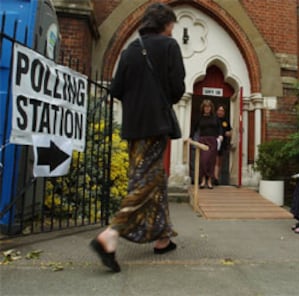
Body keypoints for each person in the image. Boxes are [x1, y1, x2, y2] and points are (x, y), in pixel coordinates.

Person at [90, 2, 185, 272]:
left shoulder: (130, 49)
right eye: (172, 25)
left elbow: (117, 89)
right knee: (148, 180)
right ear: (165, 23)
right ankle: (111, 233)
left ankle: (162, 237)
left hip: (133, 126)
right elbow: (178, 88)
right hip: (156, 124)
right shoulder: (169, 46)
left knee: (152, 178)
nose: (172, 29)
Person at [190, 99, 223, 189]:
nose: (207, 109)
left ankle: (209, 181)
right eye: (205, 107)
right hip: (203, 140)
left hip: (212, 140)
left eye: (208, 107)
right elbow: (194, 128)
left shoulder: (215, 117)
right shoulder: (199, 117)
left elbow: (220, 128)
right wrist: (190, 137)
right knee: (203, 161)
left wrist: (220, 135)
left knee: (211, 161)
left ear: (211, 108)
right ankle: (203, 180)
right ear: (203, 108)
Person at [214, 104, 232, 185]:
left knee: (219, 161)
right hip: (214, 142)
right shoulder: (213, 119)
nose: (220, 112)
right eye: (219, 110)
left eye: (222, 111)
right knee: (215, 161)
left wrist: (229, 133)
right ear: (216, 111)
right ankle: (214, 177)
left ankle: (216, 177)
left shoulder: (226, 121)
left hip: (223, 143)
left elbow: (229, 131)